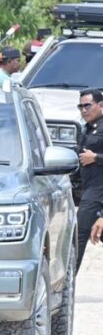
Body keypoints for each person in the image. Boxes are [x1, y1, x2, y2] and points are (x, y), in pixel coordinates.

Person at [73, 89, 103, 271]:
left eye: (87, 105)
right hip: (88, 188)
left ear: (101, 106)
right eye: (80, 106)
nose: (83, 110)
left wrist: (97, 158)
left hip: (98, 191)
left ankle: (65, 287)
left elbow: (92, 157)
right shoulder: (87, 128)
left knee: (79, 236)